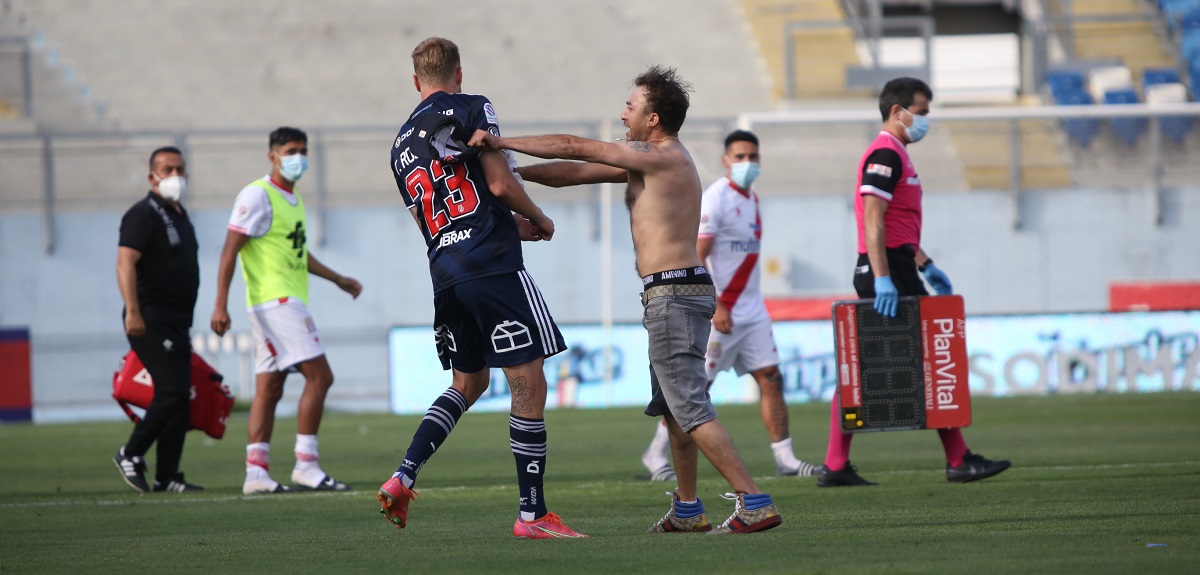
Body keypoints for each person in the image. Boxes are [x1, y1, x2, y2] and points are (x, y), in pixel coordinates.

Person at [471, 65, 783, 534]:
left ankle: (754, 500)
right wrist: (512, 176)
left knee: (690, 407)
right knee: (675, 410)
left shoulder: (659, 155)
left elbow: (575, 146)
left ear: (653, 118)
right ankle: (688, 510)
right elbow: (571, 173)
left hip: (674, 294)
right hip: (678, 291)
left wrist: (501, 142)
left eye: (631, 106)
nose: (623, 113)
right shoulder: (651, 159)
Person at [375, 37, 586, 540]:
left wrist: (508, 223)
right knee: (527, 382)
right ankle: (533, 516)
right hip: (492, 267)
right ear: (459, 73)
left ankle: (403, 476)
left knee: (468, 384)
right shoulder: (472, 107)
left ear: (415, 82)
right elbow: (494, 184)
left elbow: (442, 217)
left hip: (446, 272)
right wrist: (535, 215)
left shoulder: (400, 146)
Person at [818, 76, 1012, 487]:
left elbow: (898, 226)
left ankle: (837, 465)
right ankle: (957, 460)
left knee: (880, 364)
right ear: (897, 111)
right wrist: (884, 278)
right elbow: (873, 218)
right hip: (884, 269)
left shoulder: (896, 155)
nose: (926, 121)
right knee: (921, 360)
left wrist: (926, 264)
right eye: (921, 113)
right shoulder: (886, 154)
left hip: (897, 264)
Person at [640, 130, 819, 482]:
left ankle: (785, 458)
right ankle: (654, 454)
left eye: (753, 157)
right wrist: (717, 306)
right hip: (720, 313)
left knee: (771, 378)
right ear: (726, 161)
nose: (747, 163)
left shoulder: (752, 199)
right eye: (740, 157)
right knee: (692, 391)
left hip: (752, 312)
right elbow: (699, 256)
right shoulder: (715, 200)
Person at [210, 126, 363, 495]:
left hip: (280, 303)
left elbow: (298, 253)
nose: (299, 157)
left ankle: (256, 473)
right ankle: (306, 465)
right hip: (275, 302)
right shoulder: (256, 195)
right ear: (273, 155)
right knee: (320, 377)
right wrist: (220, 304)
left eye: (303, 150)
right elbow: (230, 250)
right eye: (291, 150)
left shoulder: (292, 199)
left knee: (270, 386)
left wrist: (337, 278)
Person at [113, 146, 203, 493]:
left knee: (181, 397)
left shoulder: (179, 213)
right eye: (167, 169)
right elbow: (125, 262)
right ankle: (130, 453)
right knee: (172, 391)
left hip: (177, 321)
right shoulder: (142, 214)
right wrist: (133, 311)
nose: (175, 175)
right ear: (152, 175)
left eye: (180, 168)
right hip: (150, 317)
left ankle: (167, 475)